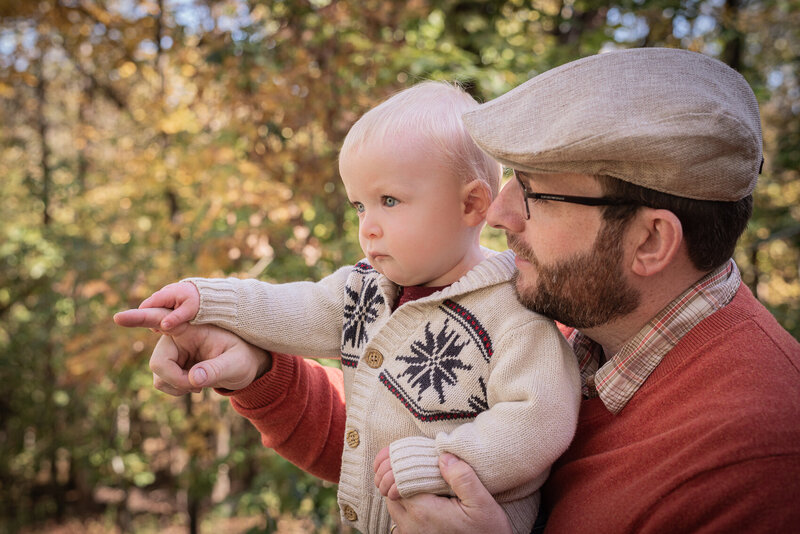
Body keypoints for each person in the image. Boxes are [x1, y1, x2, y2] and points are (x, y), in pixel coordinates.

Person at [117, 47, 800, 533]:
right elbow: (403, 432)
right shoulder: (587, 322)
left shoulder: (757, 461)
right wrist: (259, 371)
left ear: (650, 242)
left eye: (534, 194)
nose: (499, 216)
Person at [117, 81, 581, 534]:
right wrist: (208, 300)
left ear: (472, 204)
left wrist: (443, 463)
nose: (369, 227)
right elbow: (294, 307)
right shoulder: (365, 287)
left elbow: (537, 420)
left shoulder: (512, 311)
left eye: (389, 201)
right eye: (360, 206)